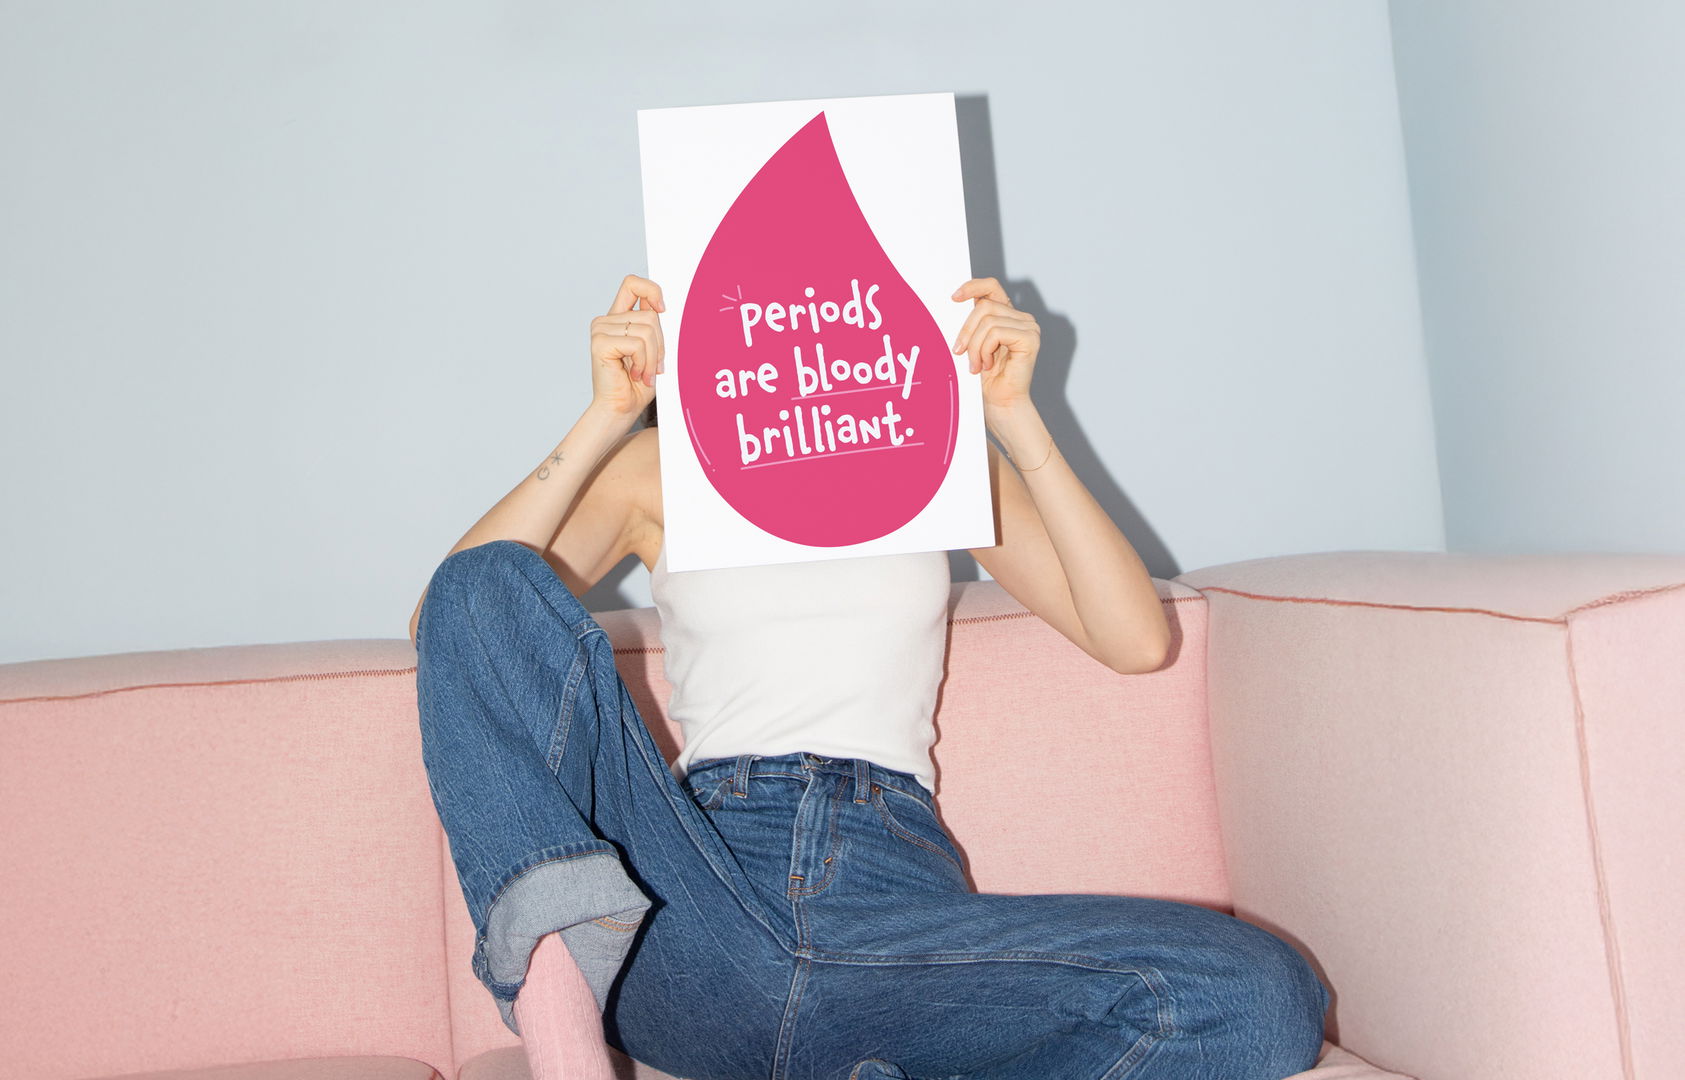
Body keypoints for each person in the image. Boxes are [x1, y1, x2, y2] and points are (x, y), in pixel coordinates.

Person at [410, 273, 1331, 1080]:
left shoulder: (932, 456)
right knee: (481, 579)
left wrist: (1011, 415)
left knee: (1257, 995)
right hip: (692, 906)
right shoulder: (661, 471)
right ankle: (567, 1050)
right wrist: (607, 416)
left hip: (894, 909)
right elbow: (452, 617)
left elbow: (1135, 639)